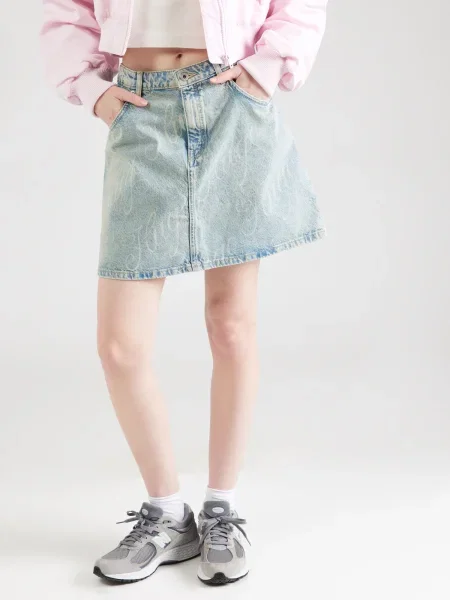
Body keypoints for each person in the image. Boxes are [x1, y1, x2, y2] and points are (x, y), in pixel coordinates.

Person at [40, 0, 328, 587]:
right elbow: (65, 10)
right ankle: (168, 514)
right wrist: (93, 89)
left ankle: (222, 509)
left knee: (231, 325)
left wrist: (266, 67)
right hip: (140, 108)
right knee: (120, 347)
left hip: (231, 105)